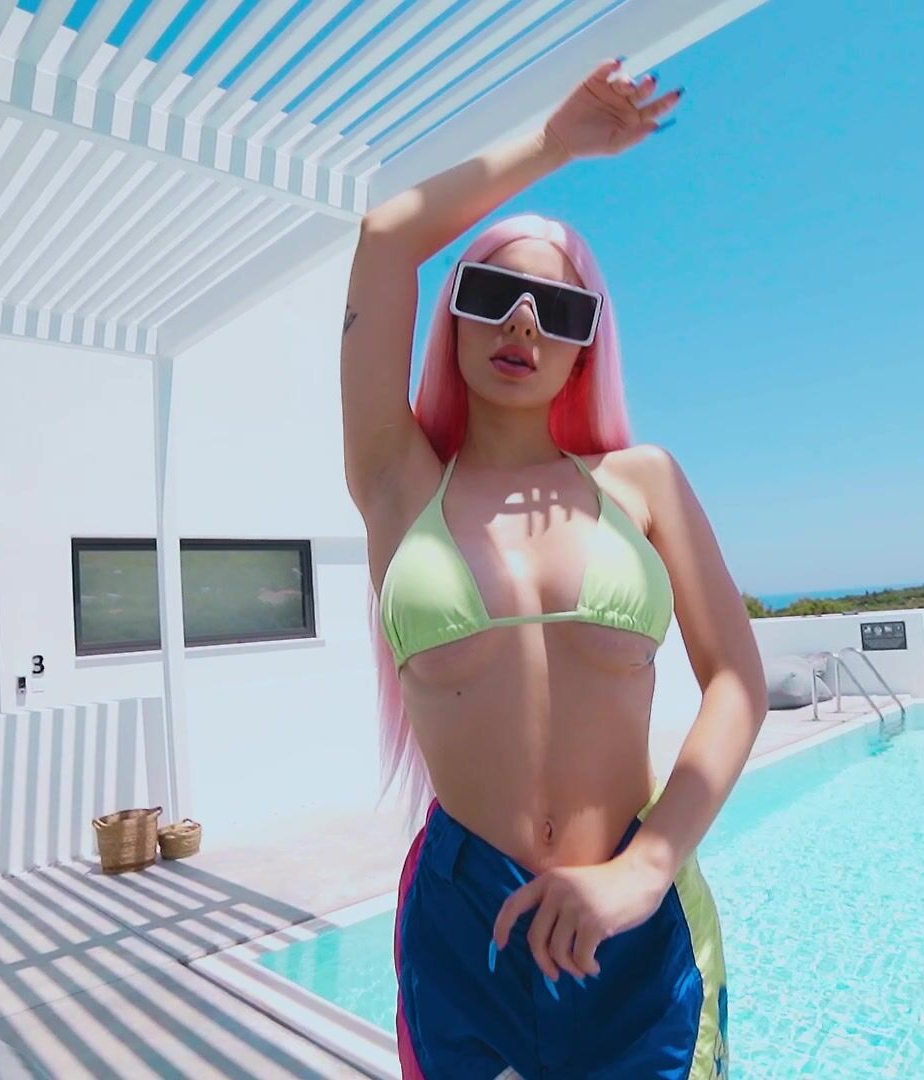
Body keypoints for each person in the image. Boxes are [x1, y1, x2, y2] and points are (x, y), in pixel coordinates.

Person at [340, 59, 766, 1079]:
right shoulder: (399, 484)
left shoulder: (643, 484)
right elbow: (385, 239)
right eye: (494, 294)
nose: (524, 323)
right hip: (462, 925)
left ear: (586, 348)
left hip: (638, 919)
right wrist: (556, 144)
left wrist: (646, 868)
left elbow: (736, 682)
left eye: (558, 310)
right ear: (452, 315)